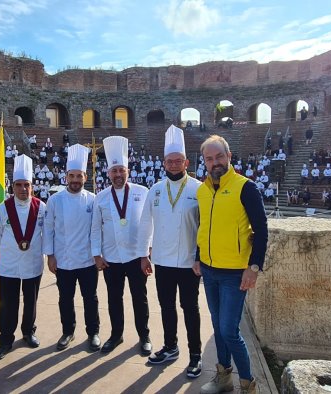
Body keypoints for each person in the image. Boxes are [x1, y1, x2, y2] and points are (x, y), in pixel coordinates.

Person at [196, 135, 267, 394]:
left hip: (234, 273)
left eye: (219, 157)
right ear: (204, 161)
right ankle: (223, 377)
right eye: (209, 158)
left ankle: (248, 384)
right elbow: (204, 227)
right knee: (217, 326)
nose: (215, 162)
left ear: (229, 156)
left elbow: (261, 229)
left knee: (229, 329)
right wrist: (198, 256)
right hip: (209, 269)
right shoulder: (202, 190)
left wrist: (254, 266)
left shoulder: (245, 187)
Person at [138, 125, 203, 378]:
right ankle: (170, 346)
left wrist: (200, 258)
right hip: (162, 261)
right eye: (170, 161)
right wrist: (144, 254)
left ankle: (195, 355)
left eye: (178, 161)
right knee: (166, 306)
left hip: (189, 262)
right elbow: (146, 224)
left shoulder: (199, 189)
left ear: (186, 161)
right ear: (163, 162)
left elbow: (205, 227)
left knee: (190, 308)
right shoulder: (155, 189)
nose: (174, 164)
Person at [91, 136, 151, 355]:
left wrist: (147, 251)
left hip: (136, 256)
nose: (118, 175)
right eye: (114, 171)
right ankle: (116, 335)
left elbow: (149, 224)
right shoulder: (101, 197)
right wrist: (96, 255)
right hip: (111, 258)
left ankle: (144, 336)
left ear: (128, 171)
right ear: (108, 173)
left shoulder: (142, 192)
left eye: (121, 170)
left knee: (139, 298)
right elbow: (95, 228)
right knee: (114, 299)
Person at [44, 144, 100, 352]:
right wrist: (50, 256)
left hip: (87, 260)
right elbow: (48, 230)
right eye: (72, 176)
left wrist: (97, 256)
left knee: (90, 298)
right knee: (65, 299)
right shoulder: (55, 200)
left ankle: (93, 332)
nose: (76, 180)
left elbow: (96, 231)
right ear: (66, 176)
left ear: (86, 177)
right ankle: (68, 331)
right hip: (63, 260)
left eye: (79, 176)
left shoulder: (93, 200)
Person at [0, 155, 47, 361]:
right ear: (12, 186)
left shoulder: (41, 207)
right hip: (10, 264)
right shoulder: (2, 209)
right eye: (19, 185)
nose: (23, 189)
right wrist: (9, 250)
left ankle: (28, 332)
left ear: (32, 186)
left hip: (32, 262)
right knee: (8, 303)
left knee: (31, 300)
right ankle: (5, 340)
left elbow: (47, 234)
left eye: (27, 185)